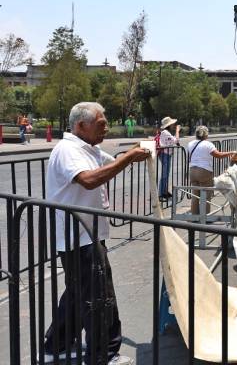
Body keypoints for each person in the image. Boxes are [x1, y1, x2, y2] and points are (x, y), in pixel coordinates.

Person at [43, 102, 150, 364]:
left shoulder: (88, 148)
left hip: (86, 233)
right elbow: (90, 180)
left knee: (78, 292)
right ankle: (103, 354)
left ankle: (57, 344)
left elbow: (110, 164)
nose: (106, 129)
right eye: (101, 125)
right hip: (78, 236)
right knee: (99, 296)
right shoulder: (68, 150)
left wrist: (133, 154)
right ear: (81, 126)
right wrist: (128, 158)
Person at [187, 125, 237, 215]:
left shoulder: (190, 144)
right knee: (206, 195)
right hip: (204, 171)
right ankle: (205, 216)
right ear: (206, 135)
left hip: (192, 171)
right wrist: (231, 152)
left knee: (195, 195)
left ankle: (194, 217)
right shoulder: (208, 144)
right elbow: (218, 155)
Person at [157, 116, 180, 200]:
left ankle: (164, 191)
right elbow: (176, 140)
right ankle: (161, 194)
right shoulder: (165, 132)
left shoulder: (166, 132)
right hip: (164, 154)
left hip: (166, 154)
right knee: (165, 174)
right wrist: (177, 131)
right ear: (169, 125)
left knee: (166, 174)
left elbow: (173, 141)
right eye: (172, 124)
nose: (174, 125)